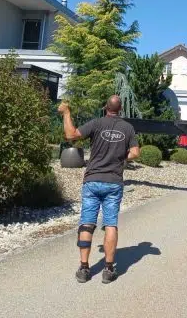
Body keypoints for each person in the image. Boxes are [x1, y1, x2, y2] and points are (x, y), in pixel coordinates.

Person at [57, 95, 140, 284]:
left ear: (106, 108)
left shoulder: (96, 123)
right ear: (120, 110)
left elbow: (71, 135)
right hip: (114, 182)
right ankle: (108, 269)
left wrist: (66, 113)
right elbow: (135, 152)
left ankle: (84, 268)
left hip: (92, 180)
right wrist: (121, 156)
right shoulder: (128, 128)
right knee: (110, 224)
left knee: (87, 223)